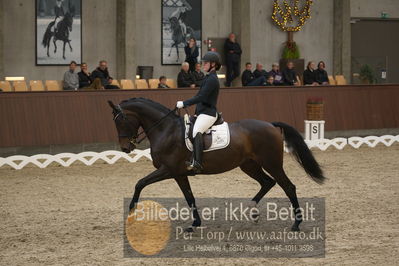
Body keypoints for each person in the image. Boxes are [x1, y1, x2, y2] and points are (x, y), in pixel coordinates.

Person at [176, 51, 222, 174]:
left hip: (208, 113)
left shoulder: (212, 79)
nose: (203, 64)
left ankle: (197, 162)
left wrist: (184, 103)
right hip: (202, 112)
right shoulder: (208, 77)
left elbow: (200, 97)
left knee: (197, 131)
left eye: (206, 63)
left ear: (213, 64)